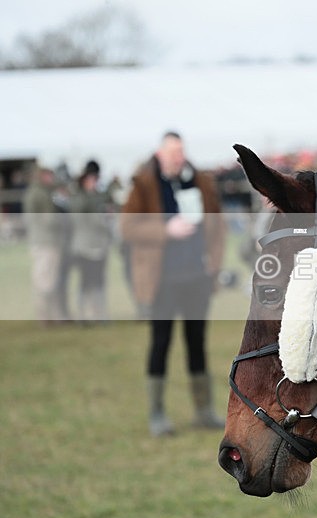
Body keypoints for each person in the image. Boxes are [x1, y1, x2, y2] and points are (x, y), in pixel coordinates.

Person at [121, 131, 226, 437]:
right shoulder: (144, 184)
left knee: (197, 345)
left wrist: (214, 265)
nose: (177, 158)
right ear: (160, 153)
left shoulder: (200, 181)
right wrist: (166, 229)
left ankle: (204, 410)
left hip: (196, 279)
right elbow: (128, 228)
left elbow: (216, 225)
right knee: (161, 344)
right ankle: (157, 413)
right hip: (162, 282)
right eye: (172, 152)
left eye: (181, 151)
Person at [22, 167, 70, 324]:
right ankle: (46, 317)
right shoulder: (41, 194)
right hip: (46, 241)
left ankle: (49, 316)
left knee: (46, 279)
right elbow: (49, 219)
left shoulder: (36, 192)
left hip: (41, 240)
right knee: (46, 280)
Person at [69, 160, 113, 323]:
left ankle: (99, 313)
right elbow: (78, 214)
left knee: (99, 281)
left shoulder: (101, 196)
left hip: (100, 245)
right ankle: (84, 314)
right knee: (85, 282)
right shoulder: (79, 197)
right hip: (84, 246)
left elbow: (107, 214)